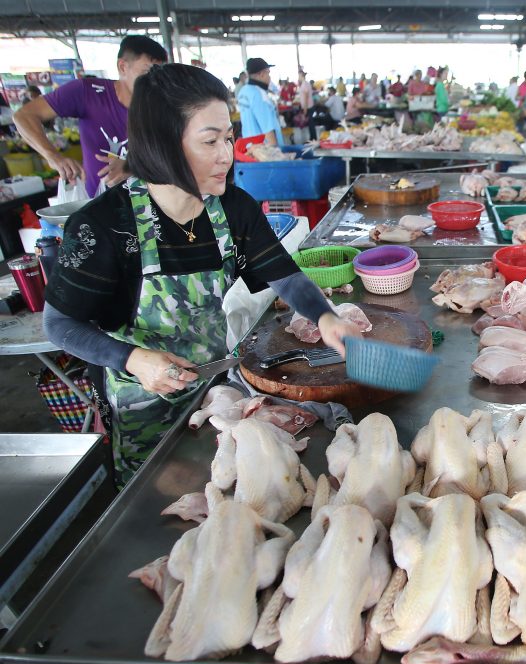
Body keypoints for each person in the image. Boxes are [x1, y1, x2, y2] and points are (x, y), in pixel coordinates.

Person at [41, 63, 360, 487]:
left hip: (218, 390)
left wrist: (325, 316)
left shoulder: (233, 208)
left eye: (228, 137)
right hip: (143, 403)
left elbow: (285, 277)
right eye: (210, 141)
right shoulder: (104, 225)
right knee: (162, 510)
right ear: (163, 143)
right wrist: (133, 359)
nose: (227, 154)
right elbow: (59, 324)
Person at [13, 35, 167, 198]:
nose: (155, 81)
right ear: (122, 67)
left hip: (151, 204)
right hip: (100, 203)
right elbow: (25, 116)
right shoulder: (87, 92)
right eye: (147, 72)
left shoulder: (166, 105)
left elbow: (176, 156)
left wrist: (134, 167)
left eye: (160, 74)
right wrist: (53, 156)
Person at [237, 57, 284, 146]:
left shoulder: (243, 91)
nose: (269, 77)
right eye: (268, 73)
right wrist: (276, 152)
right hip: (264, 150)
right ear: (261, 74)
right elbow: (268, 130)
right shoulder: (260, 95)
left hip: (250, 147)